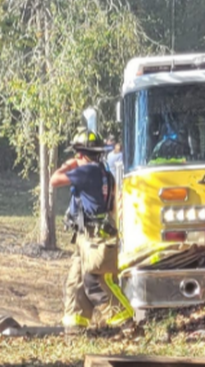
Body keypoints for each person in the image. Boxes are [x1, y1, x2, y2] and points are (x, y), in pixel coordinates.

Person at [51, 128, 135, 334]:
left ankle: (126, 323)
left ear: (81, 154)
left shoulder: (86, 171)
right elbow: (113, 205)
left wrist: (70, 164)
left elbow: (55, 180)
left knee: (96, 282)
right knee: (75, 281)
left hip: (94, 239)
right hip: (85, 235)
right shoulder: (105, 173)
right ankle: (75, 326)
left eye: (78, 154)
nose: (76, 157)